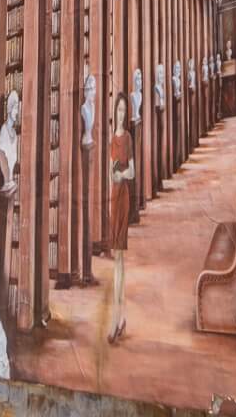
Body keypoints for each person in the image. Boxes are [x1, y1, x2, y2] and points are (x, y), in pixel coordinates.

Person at [105, 93, 136, 344]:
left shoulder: (127, 138)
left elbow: (132, 172)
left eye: (125, 110)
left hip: (123, 196)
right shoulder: (112, 140)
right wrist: (117, 176)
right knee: (116, 256)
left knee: (119, 256)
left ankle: (117, 317)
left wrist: (121, 174)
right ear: (115, 111)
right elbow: (110, 173)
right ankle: (119, 316)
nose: (122, 114)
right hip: (113, 198)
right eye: (120, 110)